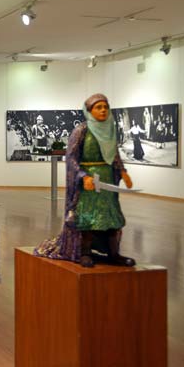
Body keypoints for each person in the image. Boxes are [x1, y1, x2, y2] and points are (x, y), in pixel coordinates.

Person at [35, 94, 135, 268]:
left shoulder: (110, 131)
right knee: (87, 218)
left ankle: (114, 254)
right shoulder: (81, 130)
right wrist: (83, 176)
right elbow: (71, 158)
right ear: (89, 111)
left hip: (107, 181)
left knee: (111, 218)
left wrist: (122, 171)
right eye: (98, 107)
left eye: (105, 106)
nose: (103, 110)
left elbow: (114, 155)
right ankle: (84, 253)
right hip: (88, 183)